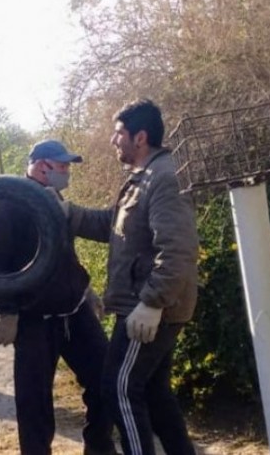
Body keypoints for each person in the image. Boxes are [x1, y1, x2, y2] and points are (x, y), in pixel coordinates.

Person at [66, 99, 199, 455]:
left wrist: (152, 302)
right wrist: (66, 213)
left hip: (151, 310)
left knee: (118, 389)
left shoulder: (164, 178)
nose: (113, 140)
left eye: (119, 133)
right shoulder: (143, 179)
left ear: (140, 137)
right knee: (154, 395)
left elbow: (178, 250)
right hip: (145, 306)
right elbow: (113, 227)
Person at [0, 140, 116, 455]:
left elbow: (64, 255)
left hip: (73, 311)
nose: (67, 172)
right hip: (32, 320)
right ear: (42, 166)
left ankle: (99, 448)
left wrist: (85, 289)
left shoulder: (55, 200)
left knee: (105, 380)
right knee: (34, 402)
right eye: (63, 166)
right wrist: (8, 312)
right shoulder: (9, 204)